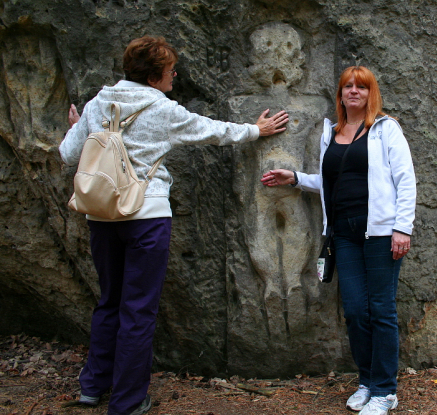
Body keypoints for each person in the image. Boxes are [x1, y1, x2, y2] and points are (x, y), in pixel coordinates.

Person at [60, 36, 288, 415]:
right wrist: (255, 130)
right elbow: (212, 131)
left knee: (109, 302)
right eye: (169, 71)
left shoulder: (98, 103)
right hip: (145, 218)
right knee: (139, 309)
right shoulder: (162, 108)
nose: (174, 76)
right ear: (154, 77)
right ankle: (128, 401)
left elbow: (68, 154)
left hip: (100, 216)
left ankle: (92, 387)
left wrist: (76, 129)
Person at [261, 66, 416, 415]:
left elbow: (406, 180)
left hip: (379, 233)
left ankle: (385, 391)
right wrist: (296, 178)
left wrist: (402, 228)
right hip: (342, 235)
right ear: (341, 93)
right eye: (348, 86)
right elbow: (330, 181)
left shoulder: (385, 129)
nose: (354, 92)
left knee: (381, 310)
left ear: (370, 93)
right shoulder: (330, 133)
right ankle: (366, 381)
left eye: (361, 87)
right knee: (356, 311)